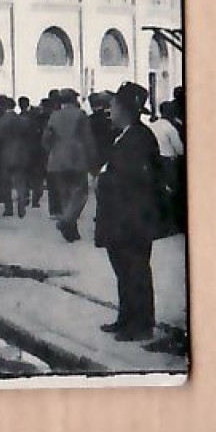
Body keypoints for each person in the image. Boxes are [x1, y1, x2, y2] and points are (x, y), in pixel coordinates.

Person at [94, 85, 163, 341]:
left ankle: (141, 325)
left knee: (135, 270)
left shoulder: (138, 137)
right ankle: (126, 318)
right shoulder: (126, 135)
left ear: (125, 110)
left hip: (132, 218)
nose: (109, 112)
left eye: (112, 107)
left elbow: (133, 180)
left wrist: (104, 178)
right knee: (124, 269)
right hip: (122, 217)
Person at [44, 87, 95, 242]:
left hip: (57, 159)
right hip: (77, 157)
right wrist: (93, 159)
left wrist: (51, 152)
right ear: (74, 99)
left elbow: (46, 138)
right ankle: (67, 221)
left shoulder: (54, 116)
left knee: (65, 194)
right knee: (80, 194)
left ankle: (72, 231)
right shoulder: (80, 115)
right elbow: (87, 138)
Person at [148, 98, 185, 236]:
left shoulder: (153, 125)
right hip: (168, 162)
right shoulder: (170, 128)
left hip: (153, 161)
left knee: (158, 192)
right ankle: (171, 225)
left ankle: (158, 224)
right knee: (171, 193)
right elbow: (180, 149)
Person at [0, 95, 32, 218]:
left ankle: (9, 208)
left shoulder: (0, 122)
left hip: (5, 154)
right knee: (20, 181)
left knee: (5, 183)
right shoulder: (23, 121)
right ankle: (21, 206)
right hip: (21, 153)